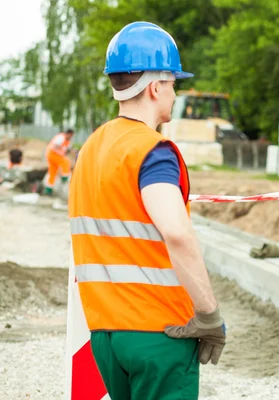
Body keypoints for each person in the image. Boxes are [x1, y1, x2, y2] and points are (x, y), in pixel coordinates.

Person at [68, 21, 226, 400]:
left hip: (105, 336)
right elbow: (176, 232)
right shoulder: (152, 151)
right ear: (155, 86)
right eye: (173, 83)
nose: (174, 93)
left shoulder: (91, 148)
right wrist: (209, 315)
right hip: (159, 334)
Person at [44, 128, 74, 195]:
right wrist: (62, 148)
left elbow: (68, 149)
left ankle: (48, 189)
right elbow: (56, 145)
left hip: (51, 155)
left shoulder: (66, 140)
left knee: (52, 172)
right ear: (68, 134)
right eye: (71, 136)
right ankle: (65, 177)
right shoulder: (61, 137)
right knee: (66, 162)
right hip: (53, 154)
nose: (71, 137)